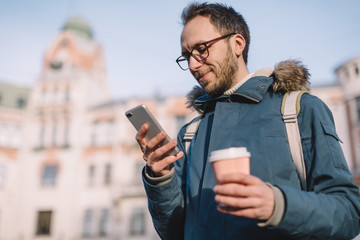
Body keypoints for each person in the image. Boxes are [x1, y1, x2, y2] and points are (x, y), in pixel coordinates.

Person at [135, 2, 360, 239]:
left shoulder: (299, 110)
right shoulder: (189, 134)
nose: (193, 64)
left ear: (237, 44)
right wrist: (161, 179)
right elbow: (173, 233)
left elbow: (349, 212)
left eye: (201, 49)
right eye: (186, 56)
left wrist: (278, 206)